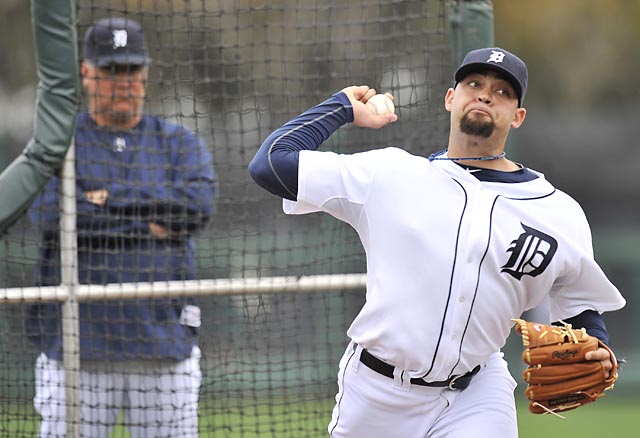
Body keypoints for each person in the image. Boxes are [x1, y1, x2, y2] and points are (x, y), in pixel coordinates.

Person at [248, 47, 626, 437]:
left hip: (477, 392)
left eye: (502, 91)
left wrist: (596, 344)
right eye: (473, 84)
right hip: (377, 393)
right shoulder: (389, 174)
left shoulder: (557, 211)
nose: (484, 94)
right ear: (451, 98)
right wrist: (341, 107)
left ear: (518, 117)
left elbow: (579, 309)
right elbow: (271, 164)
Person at [27, 17, 216, 438]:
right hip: (77, 349)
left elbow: (195, 209)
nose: (123, 81)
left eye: (131, 70)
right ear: (86, 73)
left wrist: (105, 198)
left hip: (164, 345)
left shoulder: (178, 143)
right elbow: (49, 216)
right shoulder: (59, 141)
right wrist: (150, 221)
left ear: (145, 74)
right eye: (112, 70)